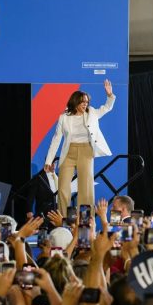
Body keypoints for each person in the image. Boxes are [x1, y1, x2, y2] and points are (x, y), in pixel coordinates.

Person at [44, 80, 116, 216]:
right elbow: (56, 140)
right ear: (75, 102)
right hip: (68, 152)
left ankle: (85, 221)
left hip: (86, 151)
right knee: (63, 188)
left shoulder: (92, 113)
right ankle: (64, 221)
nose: (86, 104)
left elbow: (107, 107)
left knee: (86, 188)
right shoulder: (64, 118)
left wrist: (110, 95)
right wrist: (49, 161)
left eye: (87, 102)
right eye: (83, 102)